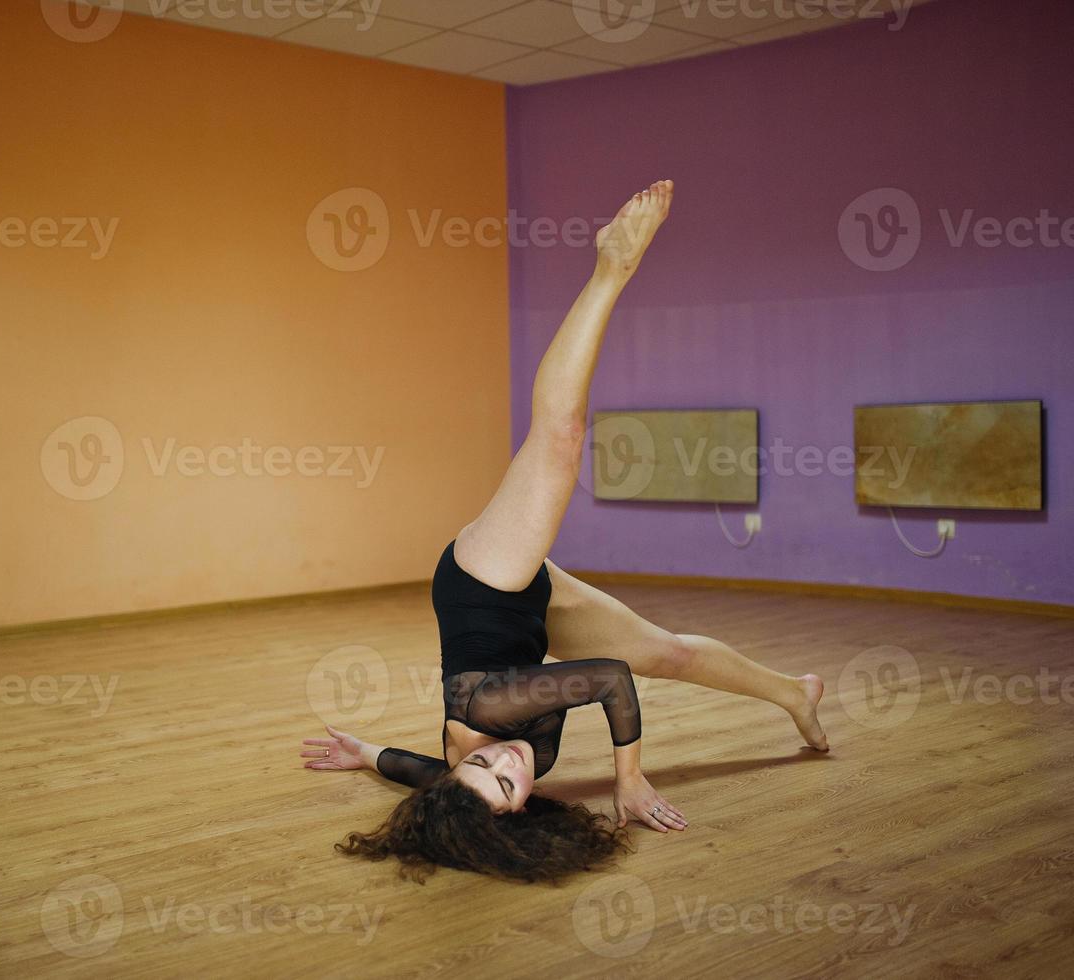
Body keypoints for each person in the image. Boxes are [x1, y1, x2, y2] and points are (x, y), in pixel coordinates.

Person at [300, 181, 828, 884]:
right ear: (519, 811)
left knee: (558, 440)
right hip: (529, 614)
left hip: (481, 584)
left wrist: (629, 779)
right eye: (508, 783)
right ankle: (794, 692)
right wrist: (364, 754)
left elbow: (608, 682)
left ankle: (610, 267)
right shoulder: (457, 785)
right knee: (666, 655)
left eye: (483, 764)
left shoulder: (488, 712)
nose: (507, 762)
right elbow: (417, 771)